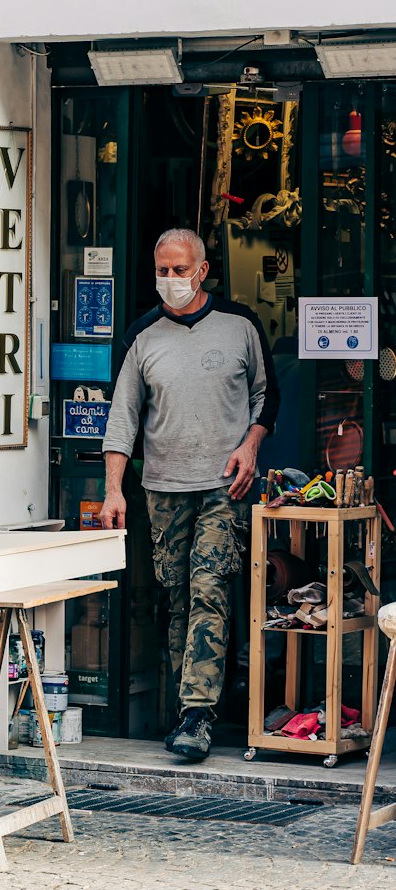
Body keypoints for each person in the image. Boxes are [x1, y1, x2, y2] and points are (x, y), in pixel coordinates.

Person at [100, 228, 279, 763]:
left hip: (225, 486)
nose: (170, 280)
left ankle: (199, 715)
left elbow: (267, 396)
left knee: (210, 589)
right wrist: (114, 491)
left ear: (203, 271)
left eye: (180, 271)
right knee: (177, 598)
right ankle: (186, 711)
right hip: (162, 488)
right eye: (162, 271)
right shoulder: (142, 335)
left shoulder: (240, 324)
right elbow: (122, 418)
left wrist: (251, 447)